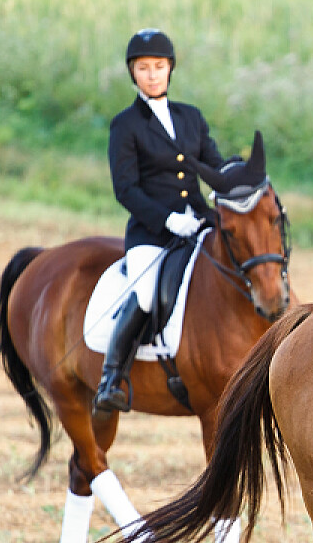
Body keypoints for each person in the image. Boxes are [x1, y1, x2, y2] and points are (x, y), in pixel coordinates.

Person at [96, 28, 227, 414]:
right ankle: (112, 377)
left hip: (199, 226)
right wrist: (168, 219)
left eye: (158, 67)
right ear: (133, 73)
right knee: (146, 290)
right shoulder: (126, 125)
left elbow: (214, 167)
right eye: (143, 68)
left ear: (170, 69)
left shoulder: (190, 118)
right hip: (151, 233)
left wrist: (230, 188)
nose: (152, 75)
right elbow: (126, 189)